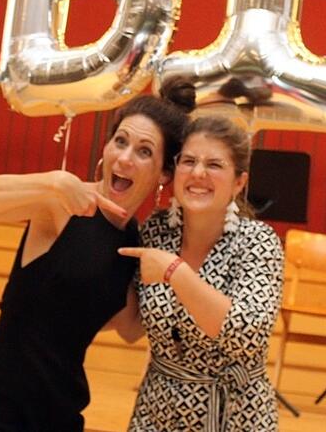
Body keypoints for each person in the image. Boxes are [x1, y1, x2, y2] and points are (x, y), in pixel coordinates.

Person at [0, 86, 192, 432]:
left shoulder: (132, 243)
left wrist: (188, 262)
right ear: (107, 146)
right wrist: (52, 181)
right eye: (121, 141)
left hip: (61, 413)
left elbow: (129, 328)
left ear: (164, 174)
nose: (124, 158)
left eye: (143, 151)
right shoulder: (63, 201)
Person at [117, 115, 285, 431]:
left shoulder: (258, 241)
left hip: (235, 415)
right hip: (157, 411)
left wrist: (175, 272)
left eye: (214, 165)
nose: (198, 173)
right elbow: (130, 330)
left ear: (239, 182)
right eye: (189, 161)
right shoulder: (156, 231)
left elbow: (247, 335)